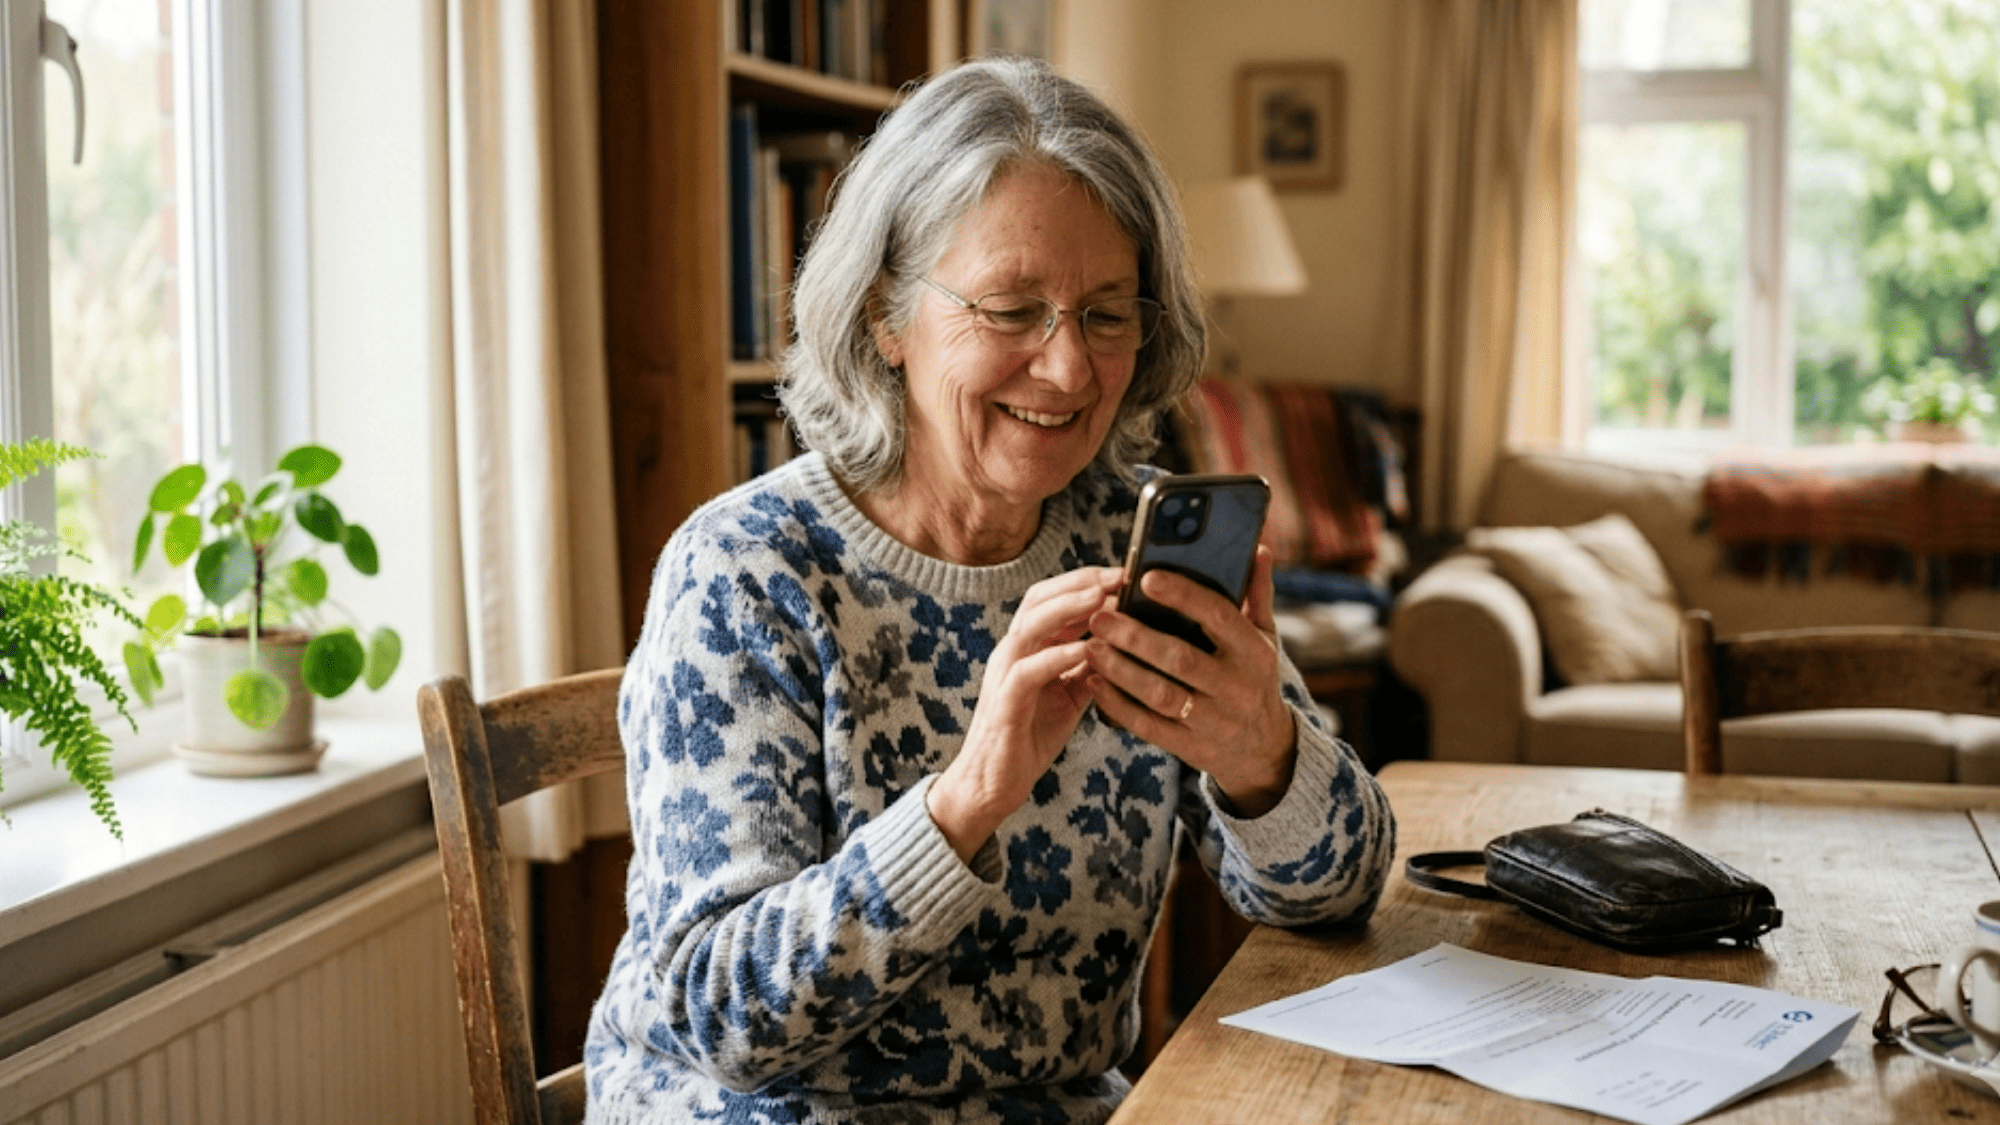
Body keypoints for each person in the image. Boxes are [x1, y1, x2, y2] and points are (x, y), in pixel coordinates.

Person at [584, 56, 1395, 1125]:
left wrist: (1264, 764)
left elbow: (1341, 889)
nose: (1067, 371)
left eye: (1105, 314)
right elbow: (725, 1023)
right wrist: (965, 804)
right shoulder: (747, 573)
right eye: (1012, 309)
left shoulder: (1126, 538)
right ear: (886, 317)